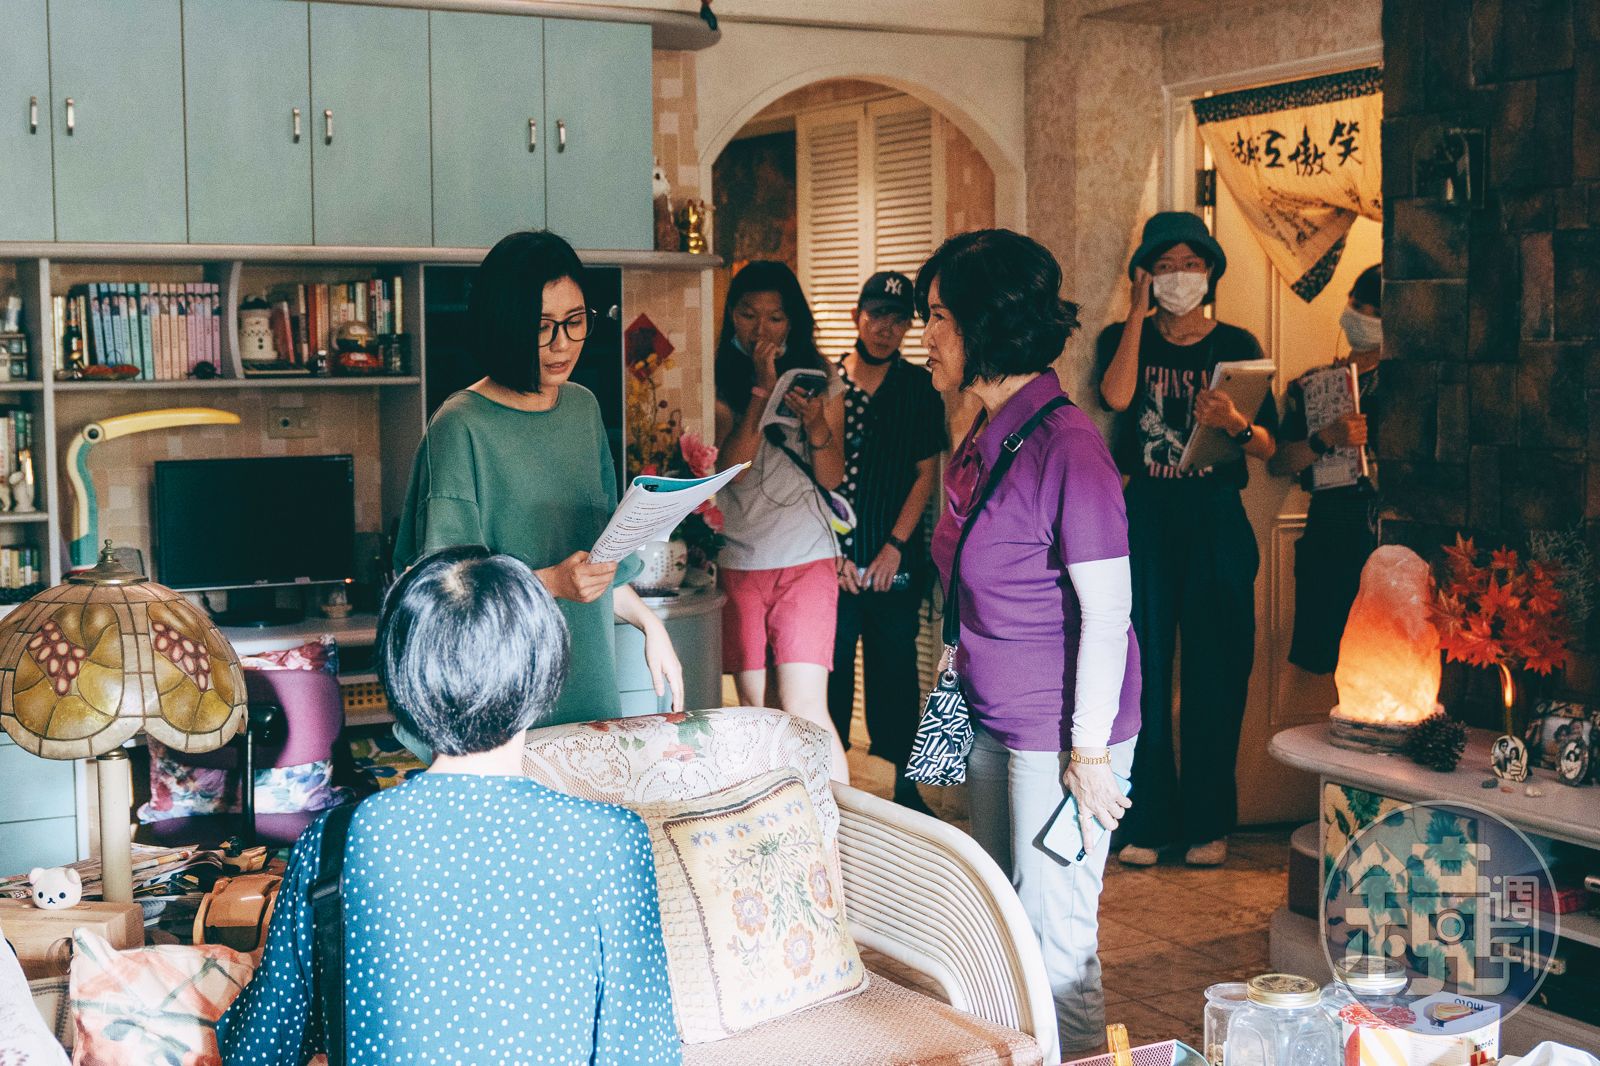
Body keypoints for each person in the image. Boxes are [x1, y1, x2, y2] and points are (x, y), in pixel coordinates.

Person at [218, 546, 681, 1066]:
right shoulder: (612, 841)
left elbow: (256, 1051)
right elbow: (641, 1051)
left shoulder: (335, 840)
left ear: (398, 675)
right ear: (545, 671)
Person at [918, 229, 1141, 1057]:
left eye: (938, 316)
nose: (925, 335)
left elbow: (1108, 614)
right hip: (993, 720)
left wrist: (1089, 753)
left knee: (1058, 952)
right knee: (999, 931)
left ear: (984, 325)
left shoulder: (1068, 447)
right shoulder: (984, 435)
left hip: (1062, 739)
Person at [393, 231, 683, 749]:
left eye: (575, 321)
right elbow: (446, 593)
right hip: (503, 699)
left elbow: (596, 563)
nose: (562, 343)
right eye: (541, 326)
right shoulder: (459, 427)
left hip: (589, 685)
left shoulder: (583, 409)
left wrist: (648, 623)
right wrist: (551, 581)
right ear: (503, 325)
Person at [1096, 211, 1278, 869]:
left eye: (1191, 264)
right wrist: (1136, 314)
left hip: (1215, 518)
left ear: (1210, 272)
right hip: (1145, 515)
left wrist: (1234, 422)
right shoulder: (1124, 338)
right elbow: (1117, 398)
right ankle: (1144, 821)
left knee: (1216, 672)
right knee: (1140, 673)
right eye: (1165, 266)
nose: (1180, 276)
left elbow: (1268, 446)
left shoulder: (1237, 343)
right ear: (1145, 274)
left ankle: (1207, 822)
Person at [714, 260, 849, 782]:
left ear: (793, 321)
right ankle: (780, 817)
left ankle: (843, 823)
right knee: (758, 713)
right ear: (731, 316)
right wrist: (760, 392)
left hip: (807, 557)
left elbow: (832, 476)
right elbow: (733, 472)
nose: (761, 330)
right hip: (740, 557)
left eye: (775, 317)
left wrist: (815, 424)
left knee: (805, 709)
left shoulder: (821, 378)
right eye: (748, 315)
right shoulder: (716, 377)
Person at [826, 271, 946, 814]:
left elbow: (925, 473)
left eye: (899, 320)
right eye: (877, 315)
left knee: (895, 672)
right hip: (831, 559)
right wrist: (833, 554)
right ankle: (829, 784)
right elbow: (812, 477)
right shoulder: (826, 383)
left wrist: (895, 545)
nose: (886, 328)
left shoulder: (919, 387)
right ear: (859, 317)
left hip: (894, 558)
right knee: (830, 672)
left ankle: (904, 789)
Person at [1270, 264, 1382, 674]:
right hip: (1328, 530)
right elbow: (1280, 461)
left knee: (1383, 658)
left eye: (1374, 312)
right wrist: (1327, 437)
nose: (1361, 317)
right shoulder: (1313, 384)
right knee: (1326, 656)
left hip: (1382, 534)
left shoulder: (1407, 385)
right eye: (1357, 305)